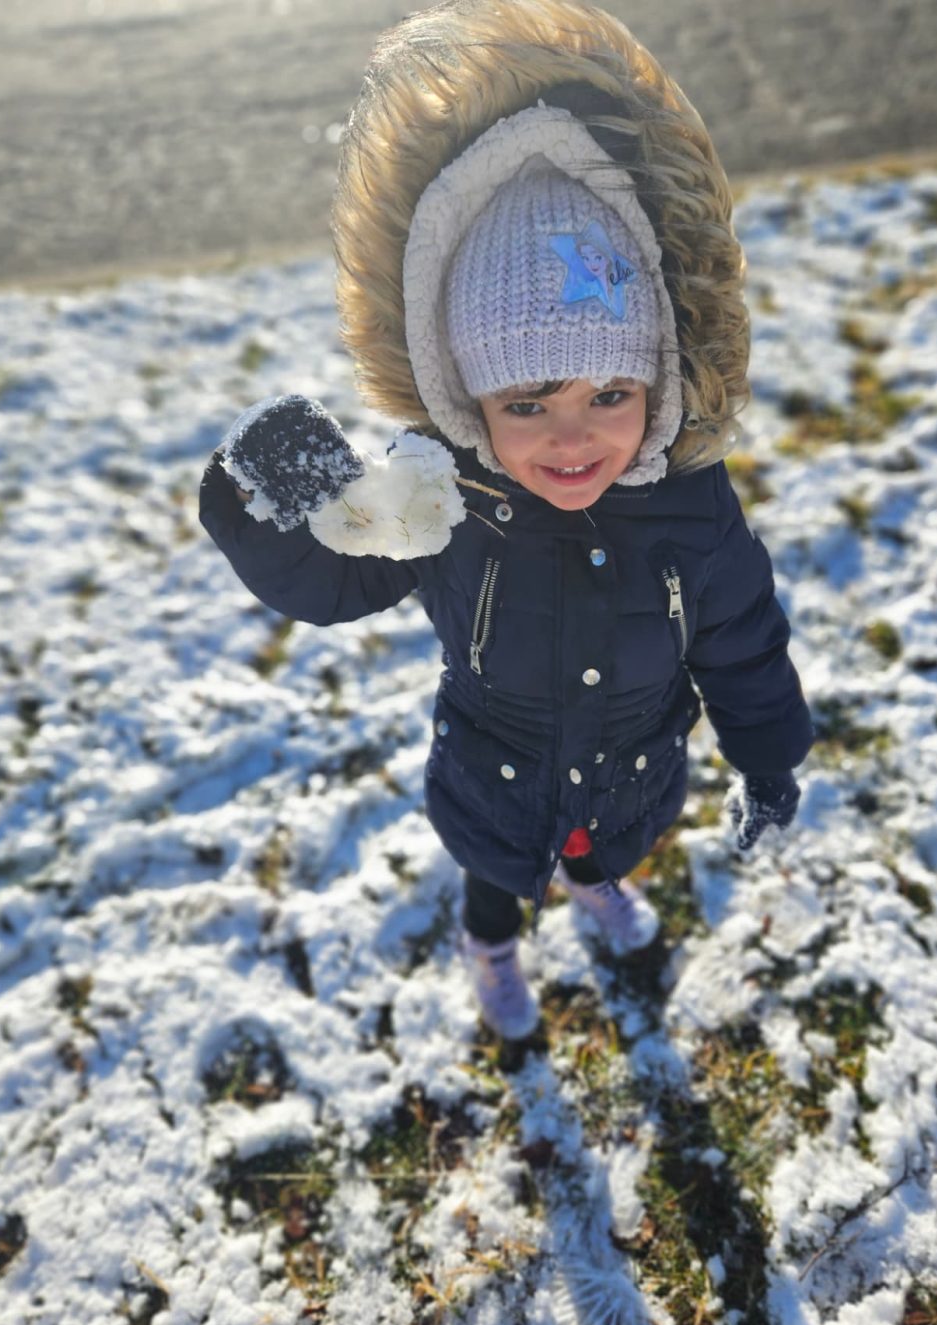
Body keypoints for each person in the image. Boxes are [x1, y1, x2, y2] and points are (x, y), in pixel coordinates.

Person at [199, 0, 813, 1040]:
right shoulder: (449, 500)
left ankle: (596, 887)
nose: (570, 439)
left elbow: (744, 643)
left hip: (631, 774)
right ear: (464, 395)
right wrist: (260, 508)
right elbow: (336, 580)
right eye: (525, 403)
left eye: (606, 395)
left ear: (657, 377)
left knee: (599, 852)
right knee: (494, 878)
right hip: (495, 780)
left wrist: (768, 757)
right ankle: (489, 940)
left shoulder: (694, 508)